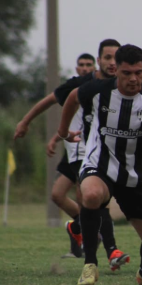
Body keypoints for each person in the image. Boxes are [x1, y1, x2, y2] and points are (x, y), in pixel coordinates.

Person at [57, 44, 142, 285]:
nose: (133, 78)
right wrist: (63, 131)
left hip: (134, 178)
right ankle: (90, 264)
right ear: (116, 70)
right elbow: (73, 97)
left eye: (138, 72)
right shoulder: (98, 90)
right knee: (91, 194)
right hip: (100, 165)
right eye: (127, 73)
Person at [14, 40, 126, 265]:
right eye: (107, 57)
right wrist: (26, 122)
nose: (112, 62)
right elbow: (51, 102)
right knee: (60, 195)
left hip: (92, 150)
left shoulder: (122, 86)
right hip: (77, 148)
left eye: (116, 58)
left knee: (91, 199)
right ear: (99, 60)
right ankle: (82, 229)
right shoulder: (81, 85)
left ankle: (110, 249)